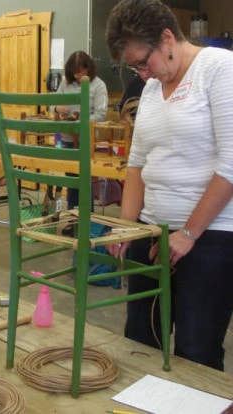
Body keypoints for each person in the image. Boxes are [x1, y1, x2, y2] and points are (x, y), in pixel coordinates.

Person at [106, 0, 233, 371]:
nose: (143, 74)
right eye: (134, 67)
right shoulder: (150, 89)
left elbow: (230, 164)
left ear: (167, 38)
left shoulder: (220, 69)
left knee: (195, 352)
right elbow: (136, 165)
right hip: (151, 230)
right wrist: (127, 226)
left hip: (209, 237)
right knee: (141, 343)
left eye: (145, 62)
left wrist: (190, 233)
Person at [52, 51, 108, 210]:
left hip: (86, 139)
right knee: (71, 180)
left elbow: (101, 114)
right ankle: (72, 218)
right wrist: (56, 108)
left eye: (80, 71)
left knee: (83, 181)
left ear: (88, 68)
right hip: (67, 138)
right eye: (74, 72)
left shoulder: (98, 85)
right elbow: (51, 104)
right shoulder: (65, 84)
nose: (77, 75)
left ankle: (86, 219)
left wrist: (80, 123)